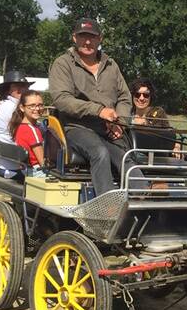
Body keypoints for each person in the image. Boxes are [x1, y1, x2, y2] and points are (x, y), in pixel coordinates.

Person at [49, 18, 131, 196]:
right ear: (74, 37)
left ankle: (144, 199)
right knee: (99, 152)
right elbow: (62, 99)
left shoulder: (111, 65)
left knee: (128, 158)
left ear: (100, 38)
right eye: (82, 36)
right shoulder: (62, 64)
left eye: (92, 37)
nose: (87, 41)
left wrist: (120, 122)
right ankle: (107, 207)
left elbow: (125, 97)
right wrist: (99, 110)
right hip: (77, 127)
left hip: (109, 130)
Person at [0, 69, 34, 180]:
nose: (22, 89)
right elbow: (28, 135)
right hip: (12, 167)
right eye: (17, 86)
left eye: (24, 86)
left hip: (8, 163)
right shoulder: (12, 108)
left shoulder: (9, 105)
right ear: (8, 90)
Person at [130, 78, 182, 158]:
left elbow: (170, 133)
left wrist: (176, 146)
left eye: (146, 95)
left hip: (156, 157)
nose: (141, 98)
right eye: (137, 94)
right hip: (131, 157)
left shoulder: (158, 113)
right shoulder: (127, 114)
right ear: (132, 96)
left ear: (150, 97)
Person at [8, 90, 47, 177]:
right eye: (32, 106)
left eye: (40, 105)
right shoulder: (32, 130)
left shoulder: (20, 127)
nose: (37, 109)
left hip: (26, 170)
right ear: (22, 108)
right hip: (37, 172)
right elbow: (43, 163)